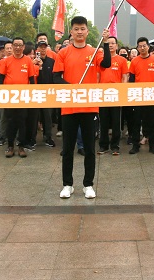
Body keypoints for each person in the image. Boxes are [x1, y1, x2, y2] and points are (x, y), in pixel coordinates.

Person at [54, 16, 107, 199]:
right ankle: (67, 184)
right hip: (69, 107)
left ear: (87, 31)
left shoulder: (94, 51)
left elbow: (106, 64)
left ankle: (88, 184)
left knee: (90, 149)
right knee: (68, 148)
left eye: (82, 28)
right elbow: (56, 78)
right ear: (71, 31)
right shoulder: (63, 53)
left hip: (90, 107)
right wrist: (72, 88)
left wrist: (105, 43)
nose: (79, 32)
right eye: (76, 29)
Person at [0, 37, 35, 158]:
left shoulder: (28, 61)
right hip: (9, 97)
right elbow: (1, 79)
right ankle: (10, 146)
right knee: (10, 121)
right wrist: (1, 93)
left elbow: (31, 79)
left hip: (23, 97)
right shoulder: (6, 61)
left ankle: (21, 146)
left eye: (20, 45)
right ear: (12, 46)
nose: (18, 47)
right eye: (15, 45)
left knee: (22, 122)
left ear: (23, 47)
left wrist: (32, 94)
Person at [128, 36, 154, 154]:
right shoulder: (134, 61)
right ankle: (135, 145)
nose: (142, 48)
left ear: (148, 47)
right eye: (140, 46)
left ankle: (152, 146)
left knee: (152, 121)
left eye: (144, 46)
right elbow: (131, 80)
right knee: (136, 122)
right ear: (137, 48)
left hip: (151, 95)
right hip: (138, 96)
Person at [98, 34, 128, 155]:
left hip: (116, 94)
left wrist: (122, 92)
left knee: (116, 122)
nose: (110, 45)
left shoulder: (122, 60)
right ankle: (103, 145)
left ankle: (115, 146)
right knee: (103, 121)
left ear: (117, 46)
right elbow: (98, 76)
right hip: (103, 94)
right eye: (108, 43)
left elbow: (124, 77)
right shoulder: (101, 60)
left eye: (112, 43)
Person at [34, 40, 57, 147]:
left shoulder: (51, 61)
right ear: (37, 49)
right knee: (35, 116)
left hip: (48, 93)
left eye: (44, 47)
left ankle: (48, 137)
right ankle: (32, 138)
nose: (43, 49)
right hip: (36, 93)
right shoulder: (33, 62)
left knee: (48, 116)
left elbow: (54, 77)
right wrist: (37, 66)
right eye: (41, 47)